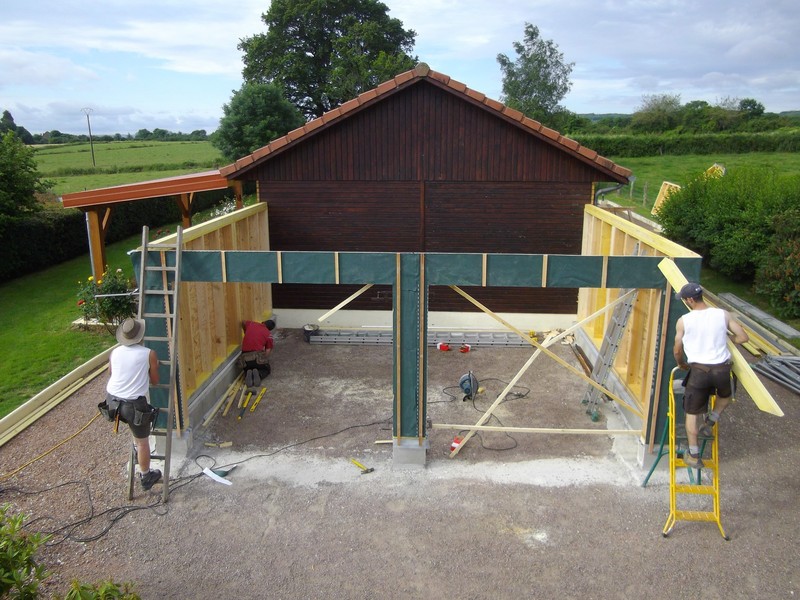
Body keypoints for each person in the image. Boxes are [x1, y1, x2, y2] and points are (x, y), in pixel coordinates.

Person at [673, 282, 749, 468]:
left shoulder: (684, 320)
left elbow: (677, 349)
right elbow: (743, 337)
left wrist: (681, 363)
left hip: (699, 372)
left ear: (690, 299)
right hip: (721, 369)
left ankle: (693, 455)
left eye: (685, 299)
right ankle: (711, 420)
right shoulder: (722, 314)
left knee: (691, 414)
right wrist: (726, 339)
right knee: (726, 395)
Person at [105, 318, 162, 491]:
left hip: (112, 402)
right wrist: (152, 367)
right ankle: (146, 476)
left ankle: (138, 450)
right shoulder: (148, 353)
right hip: (133, 405)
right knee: (143, 442)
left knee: (136, 435)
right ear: (140, 335)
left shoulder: (115, 352)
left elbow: (110, 371)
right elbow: (155, 382)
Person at [241, 319, 275, 387]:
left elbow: (243, 322)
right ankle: (259, 374)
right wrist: (264, 360)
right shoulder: (268, 334)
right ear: (269, 329)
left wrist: (245, 331)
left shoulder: (251, 324)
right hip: (256, 357)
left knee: (248, 368)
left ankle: (247, 372)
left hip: (244, 357)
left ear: (263, 322)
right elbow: (268, 350)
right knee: (266, 369)